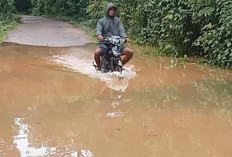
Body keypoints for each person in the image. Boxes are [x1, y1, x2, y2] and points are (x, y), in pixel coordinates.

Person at [94, 3, 133, 71]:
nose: (112, 11)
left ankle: (119, 65)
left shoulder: (118, 21)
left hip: (116, 44)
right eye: (110, 10)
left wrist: (125, 37)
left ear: (115, 11)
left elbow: (121, 30)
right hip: (105, 43)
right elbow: (98, 30)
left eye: (113, 10)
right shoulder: (101, 21)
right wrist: (99, 35)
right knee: (97, 53)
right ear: (107, 10)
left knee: (130, 52)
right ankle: (99, 67)